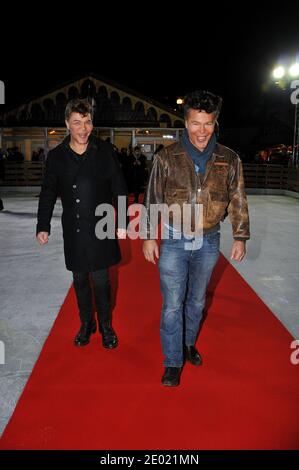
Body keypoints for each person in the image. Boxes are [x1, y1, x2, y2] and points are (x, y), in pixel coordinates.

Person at [143, 90, 250, 386]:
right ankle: (172, 361)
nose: (201, 132)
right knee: (173, 304)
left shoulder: (229, 159)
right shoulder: (167, 157)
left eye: (207, 124)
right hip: (175, 238)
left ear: (215, 123)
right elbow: (153, 198)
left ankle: (189, 343)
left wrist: (240, 236)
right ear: (185, 122)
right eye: (195, 124)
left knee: (197, 302)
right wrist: (149, 236)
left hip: (209, 240)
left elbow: (238, 199)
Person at [36, 98, 127, 349]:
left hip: (101, 226)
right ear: (67, 124)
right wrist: (43, 225)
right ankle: (87, 323)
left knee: (101, 280)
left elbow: (118, 186)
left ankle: (106, 326)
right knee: (79, 280)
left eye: (87, 122)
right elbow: (48, 193)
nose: (83, 128)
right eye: (77, 122)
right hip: (74, 229)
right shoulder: (56, 157)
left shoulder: (104, 150)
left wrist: (121, 219)